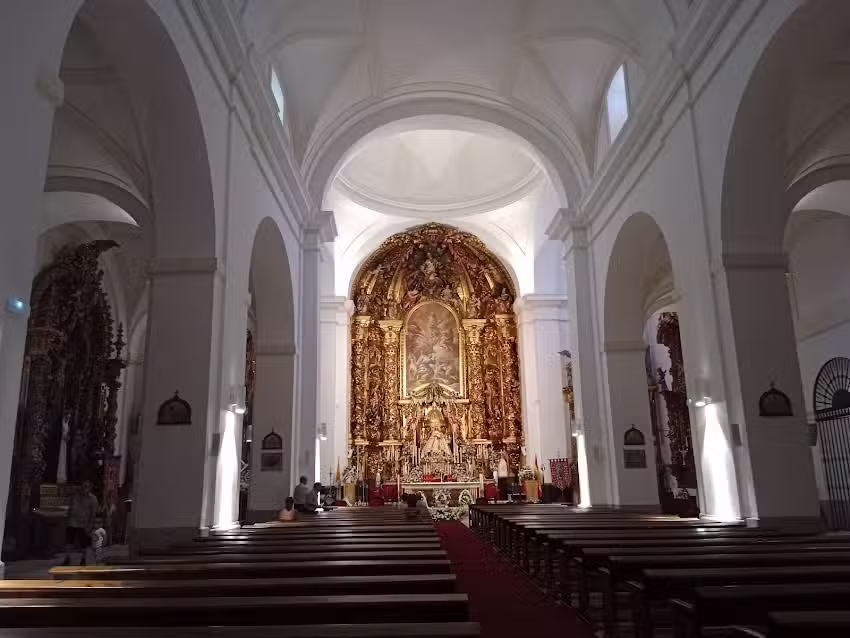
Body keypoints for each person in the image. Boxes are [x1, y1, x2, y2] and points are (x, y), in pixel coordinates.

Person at [62, 480, 98, 566]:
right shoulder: (75, 496)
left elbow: (93, 513)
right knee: (69, 542)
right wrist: (67, 519)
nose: (85, 489)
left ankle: (83, 559)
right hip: (72, 522)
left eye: (87, 487)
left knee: (84, 544)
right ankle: (67, 558)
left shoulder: (92, 499)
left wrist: (90, 526)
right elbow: (70, 507)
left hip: (83, 524)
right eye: (83, 486)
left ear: (90, 488)